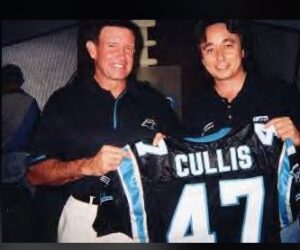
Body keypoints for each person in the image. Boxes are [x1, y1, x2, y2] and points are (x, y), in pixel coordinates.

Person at [25, 20, 181, 242]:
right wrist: (86, 166)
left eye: (129, 48)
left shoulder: (153, 100)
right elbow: (34, 173)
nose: (122, 55)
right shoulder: (64, 102)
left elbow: (184, 160)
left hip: (144, 216)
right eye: (112, 46)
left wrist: (170, 150)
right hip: (85, 219)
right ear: (92, 50)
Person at [184, 20, 300, 242]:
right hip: (221, 225)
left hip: (283, 225)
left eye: (228, 45)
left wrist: (298, 137)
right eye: (210, 49)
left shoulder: (281, 93)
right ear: (202, 58)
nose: (219, 57)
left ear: (243, 50)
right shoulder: (195, 108)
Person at [2, 64, 40, 242]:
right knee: (31, 210)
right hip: (26, 162)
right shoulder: (30, 102)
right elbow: (38, 134)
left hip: (3, 162)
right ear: (21, 81)